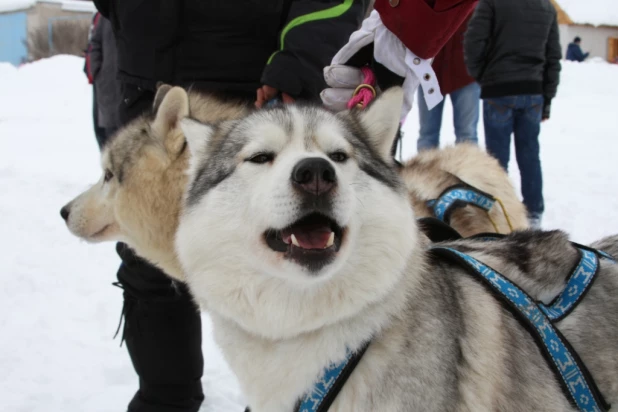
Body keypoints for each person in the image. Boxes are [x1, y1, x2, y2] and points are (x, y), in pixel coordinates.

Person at [90, 1, 368, 411]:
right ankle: (165, 400)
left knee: (281, 261)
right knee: (148, 262)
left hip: (259, 87)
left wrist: (302, 58)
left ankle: (280, 402)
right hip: (149, 81)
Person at [463, 0, 562, 229]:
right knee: (530, 156)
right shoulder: (546, 7)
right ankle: (534, 214)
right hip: (532, 92)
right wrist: (546, 100)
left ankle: (500, 212)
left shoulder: (492, 3)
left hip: (499, 91)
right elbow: (553, 58)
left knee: (496, 160)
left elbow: (472, 42)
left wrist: (484, 77)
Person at [416, 14, 480, 152]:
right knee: (427, 134)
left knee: (467, 135)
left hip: (465, 74)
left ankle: (469, 172)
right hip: (430, 73)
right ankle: (425, 173)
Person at [87, 13, 122, 149]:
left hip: (132, 87)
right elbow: (94, 44)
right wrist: (97, 72)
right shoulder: (103, 14)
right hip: (108, 86)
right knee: (107, 139)